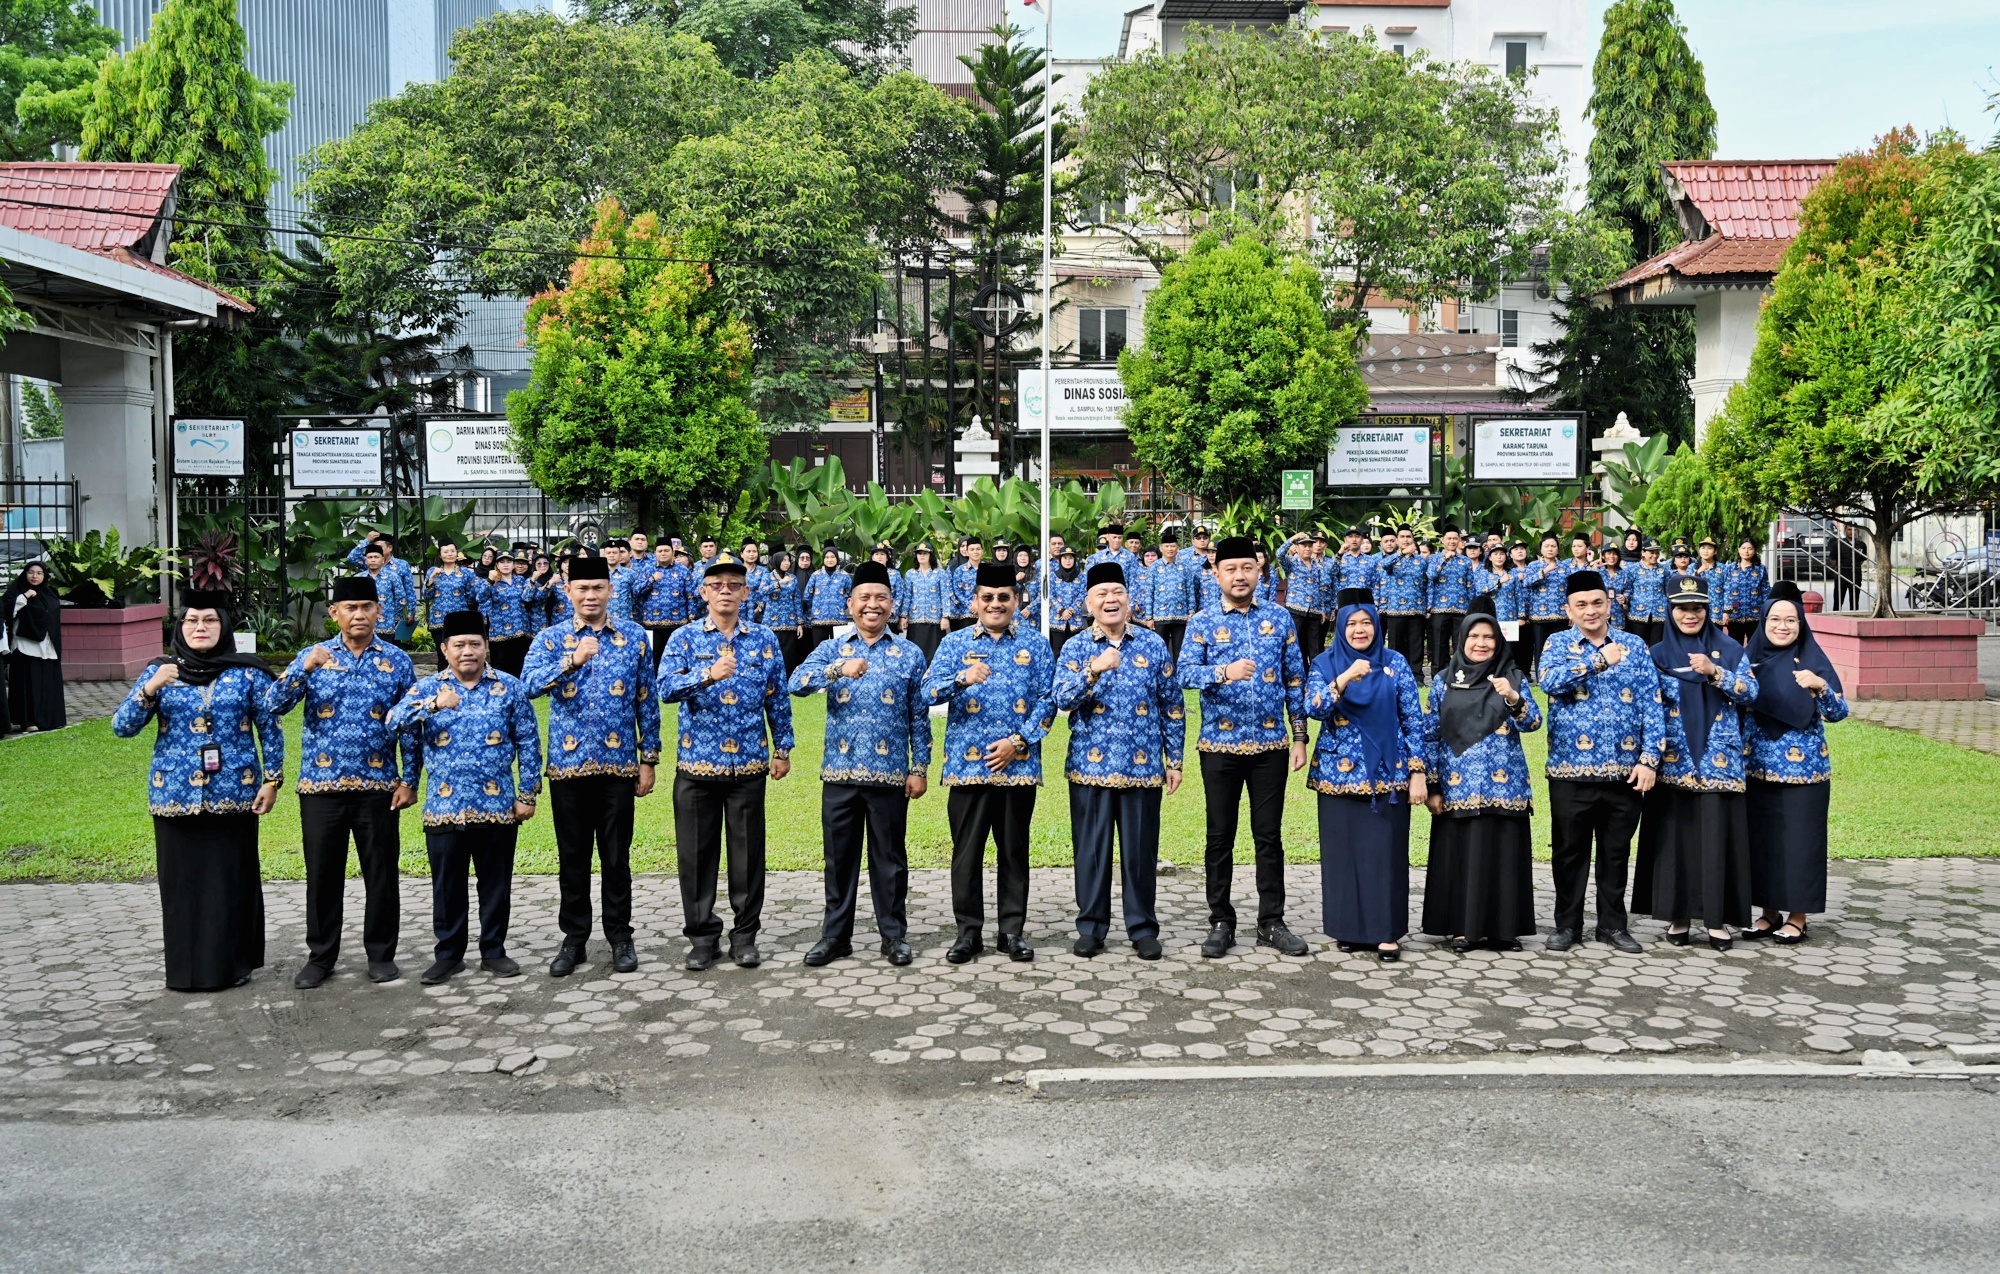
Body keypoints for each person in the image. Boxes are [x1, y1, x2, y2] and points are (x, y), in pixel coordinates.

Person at [114, 593, 281, 991]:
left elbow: (270, 730)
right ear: (180, 627)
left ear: (223, 626)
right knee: (182, 886)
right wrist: (150, 689)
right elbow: (122, 726)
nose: (200, 628)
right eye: (191, 621)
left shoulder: (248, 673)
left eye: (209, 620)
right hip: (174, 797)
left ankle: (232, 965)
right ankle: (186, 971)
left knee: (230, 881)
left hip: (234, 795)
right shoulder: (161, 670)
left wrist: (272, 780)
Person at [266, 574, 418, 987]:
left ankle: (381, 954)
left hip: (378, 786)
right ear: (334, 613)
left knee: (382, 874)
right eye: (349, 607)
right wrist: (302, 667)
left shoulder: (397, 661)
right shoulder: (313, 656)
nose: (359, 615)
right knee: (322, 874)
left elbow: (413, 726)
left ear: (378, 611)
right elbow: (272, 705)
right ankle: (320, 957)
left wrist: (410, 779)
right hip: (322, 786)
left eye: (366, 607)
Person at [521, 553, 661, 977]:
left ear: (610, 590)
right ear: (568, 592)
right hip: (568, 768)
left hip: (619, 768)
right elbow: (526, 686)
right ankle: (574, 939)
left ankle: (620, 936)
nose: (590, 595)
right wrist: (572, 660)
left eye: (598, 587)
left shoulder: (634, 636)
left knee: (617, 857)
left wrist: (648, 759)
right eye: (581, 588)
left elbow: (646, 700)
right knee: (573, 857)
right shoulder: (550, 638)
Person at [388, 609, 541, 985]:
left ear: (486, 647)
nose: (467, 651)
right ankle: (449, 954)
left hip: (497, 805)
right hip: (444, 806)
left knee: (495, 883)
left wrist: (527, 794)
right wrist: (434, 705)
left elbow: (529, 743)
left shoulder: (510, 687)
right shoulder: (427, 690)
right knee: (447, 886)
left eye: (475, 643)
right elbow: (393, 722)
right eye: (459, 645)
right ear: (445, 648)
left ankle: (494, 950)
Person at [657, 553, 794, 971]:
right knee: (696, 857)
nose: (725, 592)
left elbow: (778, 697)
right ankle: (701, 938)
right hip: (697, 765)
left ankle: (745, 936)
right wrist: (708, 675)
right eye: (717, 585)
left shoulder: (764, 639)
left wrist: (782, 748)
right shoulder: (683, 639)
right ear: (703, 592)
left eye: (734, 585)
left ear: (746, 592)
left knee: (747, 855)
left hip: (749, 764)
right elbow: (665, 688)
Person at [1178, 536, 1311, 959]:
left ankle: (1272, 921)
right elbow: (1183, 674)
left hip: (1272, 745)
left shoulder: (1281, 619)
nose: (1239, 575)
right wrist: (1224, 671)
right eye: (1230, 569)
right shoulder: (1200, 622)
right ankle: (1221, 920)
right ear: (1215, 573)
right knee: (1220, 836)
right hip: (1219, 746)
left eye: (1247, 568)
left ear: (1259, 572)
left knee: (1268, 836)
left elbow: (1296, 680)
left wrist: (1301, 736)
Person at [788, 561, 926, 967]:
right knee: (839, 860)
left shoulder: (909, 652)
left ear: (891, 603)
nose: (872, 605)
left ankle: (894, 936)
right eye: (864, 598)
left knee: (890, 861)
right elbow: (797, 683)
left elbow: (918, 716)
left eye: (880, 597)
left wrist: (919, 768)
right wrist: (837, 671)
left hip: (889, 776)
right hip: (840, 773)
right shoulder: (834, 648)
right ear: (850, 604)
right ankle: (835, 936)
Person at [920, 560, 1055, 964]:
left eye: (1003, 597)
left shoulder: (1037, 644)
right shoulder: (955, 644)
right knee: (967, 853)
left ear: (1015, 600)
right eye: (988, 598)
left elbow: (1050, 700)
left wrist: (1019, 741)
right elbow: (928, 691)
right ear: (974, 601)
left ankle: (1012, 932)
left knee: (1014, 851)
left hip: (1018, 767)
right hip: (967, 767)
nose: (996, 604)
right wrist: (961, 678)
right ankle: (968, 933)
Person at [1051, 561, 1186, 960]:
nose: (1111, 600)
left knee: (1140, 852)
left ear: (1129, 600)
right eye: (1102, 595)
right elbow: (1062, 700)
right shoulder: (1076, 647)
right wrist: (1093, 670)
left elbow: (1172, 705)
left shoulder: (1152, 644)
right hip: (1090, 769)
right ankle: (1091, 927)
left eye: (1117, 593)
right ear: (1088, 603)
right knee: (1091, 851)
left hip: (1143, 768)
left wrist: (1174, 759)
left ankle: (1142, 927)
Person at [1536, 569, 1665, 954]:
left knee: (1615, 854)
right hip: (1570, 772)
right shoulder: (1557, 644)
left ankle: (1612, 925)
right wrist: (1597, 661)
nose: (1590, 611)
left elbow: (1653, 705)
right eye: (1581, 605)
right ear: (1568, 610)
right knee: (1569, 853)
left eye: (1597, 603)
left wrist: (1649, 759)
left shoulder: (1635, 646)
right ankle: (1567, 926)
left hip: (1624, 774)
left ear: (1610, 604)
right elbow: (1549, 682)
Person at [1635, 573, 1759, 950]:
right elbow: (1645, 709)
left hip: (1719, 763)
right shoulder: (1655, 655)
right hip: (1672, 763)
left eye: (1696, 609)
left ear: (1707, 610)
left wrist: (1715, 672)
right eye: (1682, 609)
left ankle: (1718, 921)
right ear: (1669, 611)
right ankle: (1678, 916)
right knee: (1677, 843)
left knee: (1716, 840)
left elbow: (1752, 693)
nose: (1690, 616)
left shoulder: (1731, 650)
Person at [1305, 588, 1427, 962]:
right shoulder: (1325, 664)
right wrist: (1343, 679)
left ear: (1377, 625)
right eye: (1352, 624)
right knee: (1344, 856)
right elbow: (1313, 707)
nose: (1360, 630)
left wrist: (1418, 772)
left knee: (1385, 855)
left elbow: (1412, 719)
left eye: (1367, 623)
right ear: (1340, 628)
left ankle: (1386, 933)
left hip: (1389, 778)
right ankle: (1349, 928)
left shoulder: (1395, 662)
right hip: (1337, 778)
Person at [1420, 604, 1541, 952]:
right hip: (1458, 786)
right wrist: (1431, 786)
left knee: (1503, 856)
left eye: (1489, 636)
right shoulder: (1444, 680)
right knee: (1462, 857)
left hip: (1505, 787)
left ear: (1499, 640)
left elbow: (1532, 723)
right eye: (1474, 636)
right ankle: (1461, 929)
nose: (1481, 643)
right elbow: (1430, 733)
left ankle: (1504, 929)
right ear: (1462, 640)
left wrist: (1513, 697)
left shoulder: (1514, 676)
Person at [1740, 581, 1846, 945]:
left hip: (1805, 773)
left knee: (1801, 842)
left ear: (1801, 624)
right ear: (1763, 622)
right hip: (1756, 769)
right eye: (1774, 619)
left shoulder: (1813, 661)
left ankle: (1798, 916)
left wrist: (1819, 687)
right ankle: (1768, 913)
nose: (1782, 626)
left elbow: (1839, 712)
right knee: (1761, 841)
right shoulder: (1749, 660)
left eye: (1790, 620)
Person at [3, 562, 64, 731]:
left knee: (46, 683)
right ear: (25, 574)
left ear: (44, 576)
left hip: (47, 645)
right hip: (25, 644)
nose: (34, 576)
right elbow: (6, 609)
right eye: (31, 572)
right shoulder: (17, 590)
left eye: (39, 573)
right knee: (29, 684)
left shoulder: (49, 593)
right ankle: (29, 721)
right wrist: (23, 597)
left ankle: (49, 718)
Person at [347, 532, 417, 643]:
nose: (373, 559)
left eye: (379, 548)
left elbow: (409, 590)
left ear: (389, 548)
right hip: (368, 620)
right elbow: (352, 557)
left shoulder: (402, 565)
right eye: (370, 557)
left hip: (391, 619)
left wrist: (410, 611)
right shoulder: (369, 564)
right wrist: (367, 541)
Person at [1377, 526, 1428, 675]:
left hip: (1416, 608)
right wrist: (1401, 553)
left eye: (1408, 537)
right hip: (1395, 609)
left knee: (1416, 644)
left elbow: (1426, 584)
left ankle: (1417, 675)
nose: (1406, 540)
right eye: (1402, 537)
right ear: (1397, 540)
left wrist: (1426, 606)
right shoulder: (1391, 559)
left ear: (1413, 540)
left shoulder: (1421, 561)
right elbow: (1385, 566)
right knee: (1396, 645)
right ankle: (1395, 673)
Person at [1425, 527, 1475, 672]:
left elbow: (1470, 585)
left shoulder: (1465, 561)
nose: (1452, 541)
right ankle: (1438, 674)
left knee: (1460, 643)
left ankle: (1461, 673)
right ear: (1443, 540)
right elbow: (1431, 576)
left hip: (1461, 608)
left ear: (1459, 540)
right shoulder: (1434, 558)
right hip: (1439, 607)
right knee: (1439, 643)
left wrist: (1471, 608)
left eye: (1455, 538)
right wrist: (1445, 558)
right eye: (1449, 538)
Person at [1144, 531, 1197, 663]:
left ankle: (1179, 680)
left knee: (1179, 650)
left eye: (1173, 546)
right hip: (1159, 615)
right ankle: (1161, 678)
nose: (1170, 549)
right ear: (1161, 548)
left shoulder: (1185, 567)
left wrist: (1191, 613)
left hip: (1181, 615)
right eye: (1167, 546)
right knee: (1159, 649)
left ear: (1177, 548)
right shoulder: (1154, 568)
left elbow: (1190, 591)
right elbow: (1149, 592)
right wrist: (1149, 617)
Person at [1520, 534, 1568, 676]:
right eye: (1546, 546)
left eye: (1553, 546)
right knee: (1540, 648)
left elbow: (1569, 590)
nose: (1550, 549)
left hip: (1560, 616)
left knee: (1558, 648)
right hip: (1538, 616)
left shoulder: (1564, 566)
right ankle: (1542, 677)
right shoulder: (1533, 566)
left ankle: (1557, 675)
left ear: (1558, 549)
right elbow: (1526, 583)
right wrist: (1545, 571)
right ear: (1541, 549)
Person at [636, 541, 688, 667]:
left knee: (676, 659)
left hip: (678, 624)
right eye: (660, 551)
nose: (663, 553)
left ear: (673, 552)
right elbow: (636, 591)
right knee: (654, 660)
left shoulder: (683, 570)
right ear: (655, 553)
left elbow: (690, 595)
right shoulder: (647, 569)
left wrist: (691, 617)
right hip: (653, 623)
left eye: (666, 551)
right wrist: (651, 580)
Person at [481, 552, 534, 677]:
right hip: (500, 633)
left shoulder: (520, 580)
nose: (506, 565)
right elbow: (480, 598)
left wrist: (532, 582)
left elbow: (527, 598)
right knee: (501, 669)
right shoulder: (492, 582)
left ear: (514, 564)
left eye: (509, 562)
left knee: (519, 666)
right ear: (497, 565)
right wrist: (489, 580)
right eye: (502, 562)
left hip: (520, 630)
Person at [1280, 532, 1327, 660]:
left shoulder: (1317, 564)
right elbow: (1279, 554)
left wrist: (1322, 609)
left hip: (1314, 611)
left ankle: (1315, 676)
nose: (1307, 548)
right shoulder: (1291, 562)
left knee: (1315, 647)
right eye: (1304, 546)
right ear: (1297, 547)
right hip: (1296, 608)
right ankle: (1299, 677)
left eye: (1309, 546)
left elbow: (1320, 587)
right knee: (1295, 645)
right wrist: (1293, 539)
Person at [900, 542, 949, 663]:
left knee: (934, 653)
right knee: (915, 652)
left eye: (925, 553)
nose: (922, 556)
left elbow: (945, 595)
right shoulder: (910, 574)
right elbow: (907, 596)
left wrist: (945, 617)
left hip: (935, 620)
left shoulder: (940, 573)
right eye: (919, 553)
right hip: (915, 619)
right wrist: (903, 616)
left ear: (930, 555)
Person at [763, 547, 805, 670]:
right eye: (784, 560)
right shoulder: (768, 577)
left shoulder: (793, 578)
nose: (787, 563)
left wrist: (800, 623)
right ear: (777, 561)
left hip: (790, 622)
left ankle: (788, 683)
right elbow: (762, 591)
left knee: (789, 654)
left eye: (788, 560)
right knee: (773, 652)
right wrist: (779, 583)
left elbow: (797, 600)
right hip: (772, 622)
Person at [1722, 539, 1769, 646]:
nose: (1746, 551)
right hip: (1734, 614)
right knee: (1734, 645)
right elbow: (1727, 590)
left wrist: (1767, 612)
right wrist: (1726, 611)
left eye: (1750, 548)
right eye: (1743, 548)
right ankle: (1736, 663)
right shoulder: (1730, 568)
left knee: (1755, 644)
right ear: (1739, 550)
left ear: (1755, 551)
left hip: (1755, 614)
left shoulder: (1760, 569)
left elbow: (1765, 591)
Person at [803, 547, 851, 649]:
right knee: (820, 650)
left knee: (839, 650)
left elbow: (852, 595)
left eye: (832, 557)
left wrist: (842, 606)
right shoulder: (816, 575)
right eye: (827, 557)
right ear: (823, 559)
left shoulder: (844, 576)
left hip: (839, 619)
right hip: (819, 620)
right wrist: (817, 607)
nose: (830, 560)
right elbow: (807, 596)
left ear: (837, 558)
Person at [425, 539, 480, 626]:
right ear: (440, 555)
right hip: (438, 619)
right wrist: (432, 578)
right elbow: (427, 595)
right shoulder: (432, 571)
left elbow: (472, 596)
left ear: (457, 553)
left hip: (460, 618)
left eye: (452, 551)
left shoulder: (466, 573)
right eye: (446, 552)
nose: (450, 554)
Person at [1626, 540, 1668, 645]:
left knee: (1657, 646)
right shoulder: (1633, 569)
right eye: (1651, 552)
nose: (1655, 555)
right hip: (1638, 613)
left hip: (1659, 614)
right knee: (1638, 645)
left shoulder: (1664, 570)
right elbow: (1627, 588)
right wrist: (1625, 600)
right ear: (1643, 553)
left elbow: (1668, 589)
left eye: (1657, 552)